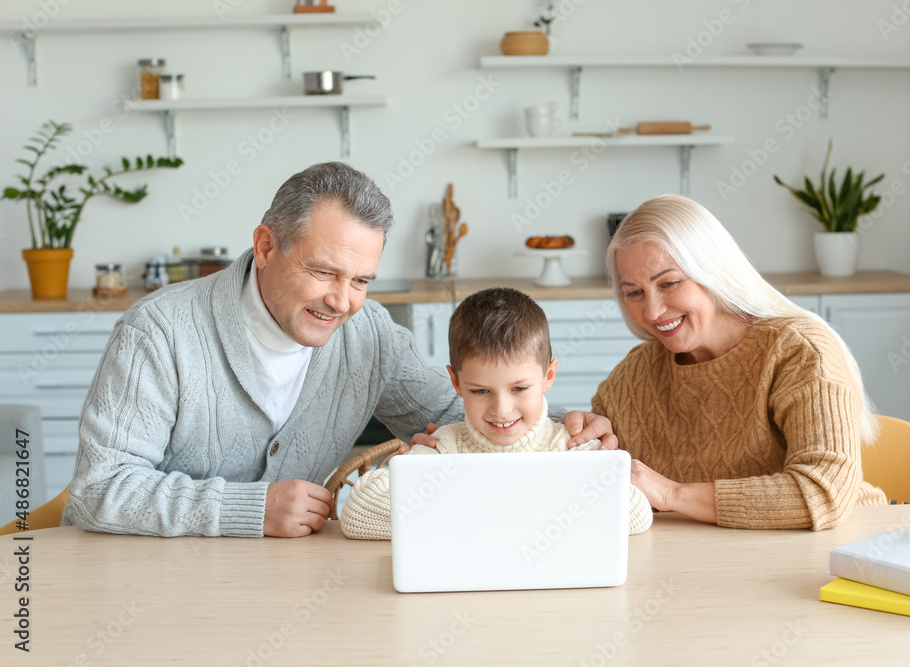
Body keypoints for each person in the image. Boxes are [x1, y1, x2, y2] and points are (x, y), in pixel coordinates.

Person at [64, 163, 614, 538]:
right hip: (149, 590)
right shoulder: (160, 331)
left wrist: (569, 427)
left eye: (362, 280)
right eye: (324, 272)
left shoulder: (367, 334)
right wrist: (249, 511)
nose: (342, 301)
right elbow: (99, 489)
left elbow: (473, 415)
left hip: (285, 593)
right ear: (265, 246)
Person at [594, 194, 887, 531]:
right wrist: (574, 437)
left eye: (669, 283)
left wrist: (672, 494)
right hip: (705, 563)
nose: (652, 311)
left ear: (711, 270)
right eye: (634, 293)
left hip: (834, 552)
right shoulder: (632, 378)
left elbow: (824, 493)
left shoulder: (798, 350)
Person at [339, 287, 653, 540]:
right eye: (480, 391)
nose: (501, 410)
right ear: (456, 383)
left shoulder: (570, 445)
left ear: (548, 377)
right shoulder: (445, 446)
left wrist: (462, 511)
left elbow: (636, 512)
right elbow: (359, 512)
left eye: (519, 389)